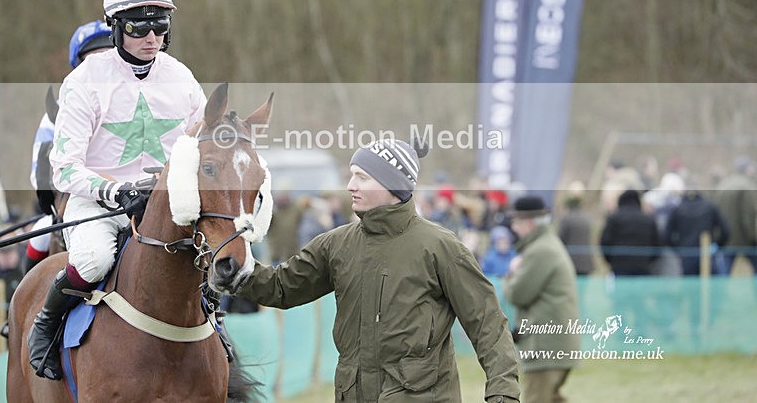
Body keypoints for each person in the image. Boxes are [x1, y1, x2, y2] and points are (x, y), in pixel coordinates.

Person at [236, 138, 520, 402]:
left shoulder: (441, 247)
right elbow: (282, 287)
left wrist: (503, 393)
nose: (350, 186)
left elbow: (488, 324)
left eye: (362, 177)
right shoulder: (336, 244)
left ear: (392, 185)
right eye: (351, 175)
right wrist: (238, 270)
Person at [27, 0, 207, 380]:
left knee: (212, 258)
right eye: (139, 28)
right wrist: (116, 191)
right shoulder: (83, 82)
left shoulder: (181, 77)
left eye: (160, 26)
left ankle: (217, 336)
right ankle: (45, 325)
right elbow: (64, 168)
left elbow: (201, 141)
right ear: (116, 28)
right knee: (93, 260)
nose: (151, 38)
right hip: (99, 203)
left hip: (165, 204)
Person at [23, 20, 115, 273]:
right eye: (92, 60)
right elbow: (40, 171)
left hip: (131, 195)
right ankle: (30, 295)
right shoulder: (58, 112)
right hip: (78, 199)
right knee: (41, 234)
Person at [503, 195, 579, 403]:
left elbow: (517, 294)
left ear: (528, 223)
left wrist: (511, 274)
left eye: (516, 222)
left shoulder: (540, 251)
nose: (514, 228)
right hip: (554, 345)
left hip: (545, 348)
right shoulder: (547, 245)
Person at [667, 189, 729, 275]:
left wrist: (678, 249)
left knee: (689, 282)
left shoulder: (677, 209)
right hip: (708, 255)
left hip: (686, 255)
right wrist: (716, 245)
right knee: (710, 281)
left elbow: (666, 235)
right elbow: (725, 231)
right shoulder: (710, 207)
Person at [600, 189, 660, 276]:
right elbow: (656, 244)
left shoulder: (614, 218)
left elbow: (605, 242)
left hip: (619, 266)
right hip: (642, 266)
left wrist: (612, 261)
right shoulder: (648, 220)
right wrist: (647, 261)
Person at [713, 156, 757, 274]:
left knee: (723, 273)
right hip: (745, 240)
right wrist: (754, 238)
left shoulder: (724, 184)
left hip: (726, 239)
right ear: (747, 169)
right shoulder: (748, 186)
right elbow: (749, 217)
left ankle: (721, 287)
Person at [557, 181, 595, 276]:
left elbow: (560, 241)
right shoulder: (587, 219)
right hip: (585, 263)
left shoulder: (566, 218)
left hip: (570, 263)